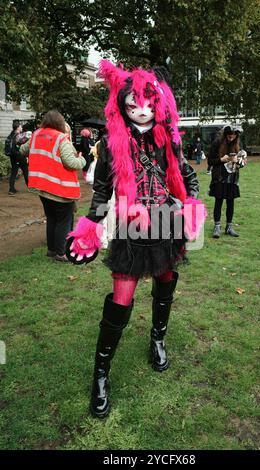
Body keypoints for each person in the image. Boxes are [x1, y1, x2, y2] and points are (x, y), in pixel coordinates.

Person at [66, 60, 207, 419]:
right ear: (123, 104)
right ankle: (100, 374)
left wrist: (190, 204)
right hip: (131, 226)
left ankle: (157, 339)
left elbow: (186, 174)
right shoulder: (112, 141)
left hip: (164, 222)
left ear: (156, 103)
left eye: (147, 105)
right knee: (121, 298)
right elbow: (101, 192)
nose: (142, 112)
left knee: (166, 282)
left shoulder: (167, 136)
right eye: (134, 106)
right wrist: (89, 231)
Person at [20, 110, 86, 261]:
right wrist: (82, 160)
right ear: (60, 123)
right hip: (60, 188)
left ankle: (51, 250)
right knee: (64, 221)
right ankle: (61, 253)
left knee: (51, 219)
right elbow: (72, 163)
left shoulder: (36, 134)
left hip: (42, 187)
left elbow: (23, 150)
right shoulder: (61, 139)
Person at [208, 125, 247, 238]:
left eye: (233, 137)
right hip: (219, 177)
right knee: (219, 201)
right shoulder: (217, 143)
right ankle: (217, 227)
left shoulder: (238, 144)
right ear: (226, 135)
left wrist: (240, 161)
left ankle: (229, 227)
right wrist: (221, 160)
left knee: (230, 202)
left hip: (233, 177)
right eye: (229, 136)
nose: (231, 138)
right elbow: (210, 161)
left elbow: (242, 161)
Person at [5, 121, 29, 196]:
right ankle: (30, 187)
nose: (21, 128)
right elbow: (23, 145)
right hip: (19, 155)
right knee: (25, 170)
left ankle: (11, 189)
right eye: (21, 127)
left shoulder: (11, 135)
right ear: (18, 128)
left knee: (14, 172)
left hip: (12, 156)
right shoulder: (18, 135)